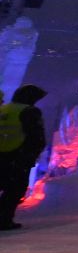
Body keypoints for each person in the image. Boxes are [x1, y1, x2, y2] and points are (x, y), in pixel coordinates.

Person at [0, 84, 49, 230]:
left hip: (1, 154)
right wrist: (33, 154)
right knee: (14, 189)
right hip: (17, 155)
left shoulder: (4, 109)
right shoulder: (29, 111)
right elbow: (36, 136)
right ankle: (4, 220)